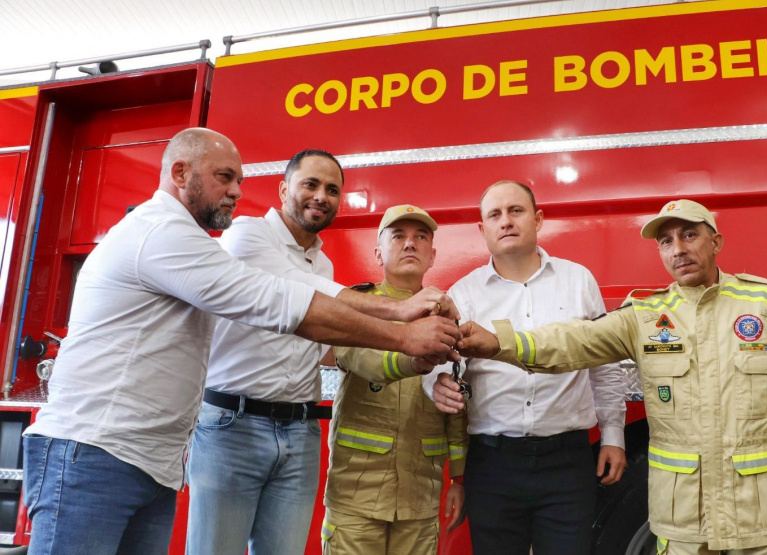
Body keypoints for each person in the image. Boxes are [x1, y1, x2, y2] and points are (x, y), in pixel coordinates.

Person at [21, 128, 460, 555]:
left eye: (239, 180)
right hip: (117, 449)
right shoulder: (192, 235)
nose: (234, 191)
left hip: (171, 454)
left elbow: (323, 335)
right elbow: (281, 299)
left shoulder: (239, 252)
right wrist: (401, 327)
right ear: (179, 173)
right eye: (224, 177)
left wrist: (414, 358)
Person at [450, 199, 767, 554]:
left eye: (689, 235)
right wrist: (500, 342)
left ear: (715, 241)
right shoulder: (645, 316)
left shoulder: (766, 304)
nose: (678, 249)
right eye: (666, 241)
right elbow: (573, 340)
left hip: (762, 515)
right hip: (682, 520)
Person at [186, 151, 459, 555]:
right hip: (234, 424)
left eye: (332, 190)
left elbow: (328, 338)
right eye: (310, 184)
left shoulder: (325, 265)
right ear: (283, 189)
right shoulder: (248, 234)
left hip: (299, 429)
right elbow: (305, 299)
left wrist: (438, 372)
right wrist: (404, 332)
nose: (321, 196)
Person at [428, 180, 627, 555]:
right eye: (495, 214)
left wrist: (613, 434)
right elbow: (437, 369)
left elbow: (605, 364)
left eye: (516, 211)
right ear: (482, 229)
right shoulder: (463, 294)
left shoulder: (578, 281)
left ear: (537, 219)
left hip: (567, 462)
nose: (506, 221)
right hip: (492, 465)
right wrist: (434, 385)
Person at [321, 204, 469, 555]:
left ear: (433, 255)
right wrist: (413, 358)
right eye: (398, 236)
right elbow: (358, 356)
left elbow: (457, 402)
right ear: (378, 252)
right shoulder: (355, 306)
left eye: (420, 237)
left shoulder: (447, 314)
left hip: (420, 496)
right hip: (356, 492)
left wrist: (459, 477)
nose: (409, 244)